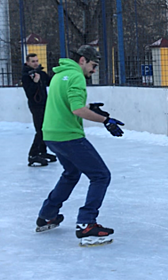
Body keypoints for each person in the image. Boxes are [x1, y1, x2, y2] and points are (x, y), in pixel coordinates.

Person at [35, 45, 125, 247]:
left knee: (71, 173)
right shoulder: (76, 76)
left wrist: (89, 109)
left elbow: (67, 104)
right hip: (68, 136)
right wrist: (105, 120)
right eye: (93, 65)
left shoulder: (60, 75)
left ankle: (48, 214)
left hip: (51, 134)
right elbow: (76, 109)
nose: (94, 71)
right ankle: (86, 223)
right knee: (101, 175)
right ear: (82, 60)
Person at [21, 53, 55, 166]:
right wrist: (35, 82)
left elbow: (51, 82)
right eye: (33, 61)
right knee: (40, 130)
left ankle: (42, 152)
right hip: (35, 106)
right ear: (27, 62)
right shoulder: (26, 76)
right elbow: (29, 93)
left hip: (45, 104)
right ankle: (33, 154)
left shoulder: (41, 73)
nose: (35, 63)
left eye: (36, 61)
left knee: (45, 129)